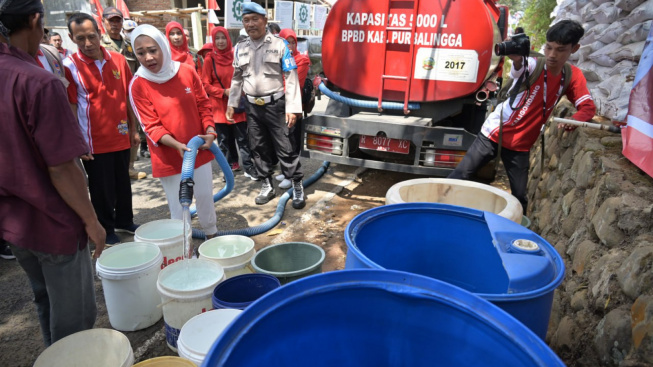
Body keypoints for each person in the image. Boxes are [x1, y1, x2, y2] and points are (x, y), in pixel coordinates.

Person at [0, 0, 104, 346]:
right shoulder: (40, 82)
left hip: (15, 222)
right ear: (34, 20)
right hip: (54, 223)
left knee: (45, 300)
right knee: (75, 321)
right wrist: (92, 221)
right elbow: (61, 168)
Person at [448, 20, 596, 214]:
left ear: (574, 49)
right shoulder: (533, 64)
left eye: (560, 50)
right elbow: (521, 68)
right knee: (459, 177)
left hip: (521, 145)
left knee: (519, 199)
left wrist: (576, 119)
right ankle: (438, 212)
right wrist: (517, 59)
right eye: (549, 47)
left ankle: (516, 236)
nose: (552, 55)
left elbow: (587, 106)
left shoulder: (571, 75)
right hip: (494, 134)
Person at [129, 24, 218, 238]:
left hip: (199, 147)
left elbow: (203, 105)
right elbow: (150, 126)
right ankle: (185, 252)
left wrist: (210, 130)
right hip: (169, 154)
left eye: (153, 50)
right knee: (180, 205)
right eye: (140, 53)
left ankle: (212, 238)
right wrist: (176, 145)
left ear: (162, 46)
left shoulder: (186, 71)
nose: (148, 57)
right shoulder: (138, 85)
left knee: (205, 196)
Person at [64, 12, 141, 245]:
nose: (87, 43)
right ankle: (106, 228)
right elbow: (71, 107)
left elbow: (127, 97)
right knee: (101, 188)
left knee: (122, 181)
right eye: (80, 39)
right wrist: (77, 142)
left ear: (100, 33)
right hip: (93, 141)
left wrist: (134, 129)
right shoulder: (69, 66)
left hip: (120, 134)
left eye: (91, 36)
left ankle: (124, 220)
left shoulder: (118, 60)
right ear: (71, 38)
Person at [227, 3, 305, 209]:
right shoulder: (240, 48)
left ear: (264, 20)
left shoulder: (279, 45)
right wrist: (232, 103)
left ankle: (297, 184)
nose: (250, 24)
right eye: (246, 20)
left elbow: (291, 76)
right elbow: (236, 78)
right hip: (252, 107)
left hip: (277, 106)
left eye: (255, 19)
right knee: (258, 147)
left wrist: (292, 107)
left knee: (286, 146)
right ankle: (267, 185)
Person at [202, 26, 257, 180]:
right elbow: (205, 84)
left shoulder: (236, 55)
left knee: (242, 139)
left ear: (228, 39)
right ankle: (229, 169)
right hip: (219, 107)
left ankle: (248, 167)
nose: (220, 41)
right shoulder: (209, 59)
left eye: (223, 38)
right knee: (224, 141)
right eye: (217, 38)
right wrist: (222, 92)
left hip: (237, 105)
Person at [276, 28, 311, 189]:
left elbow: (295, 83)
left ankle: (292, 177)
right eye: (286, 42)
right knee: (282, 141)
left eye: (292, 42)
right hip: (279, 106)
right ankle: (285, 171)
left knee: (290, 141)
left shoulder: (302, 60)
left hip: (293, 107)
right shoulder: (277, 58)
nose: (289, 45)